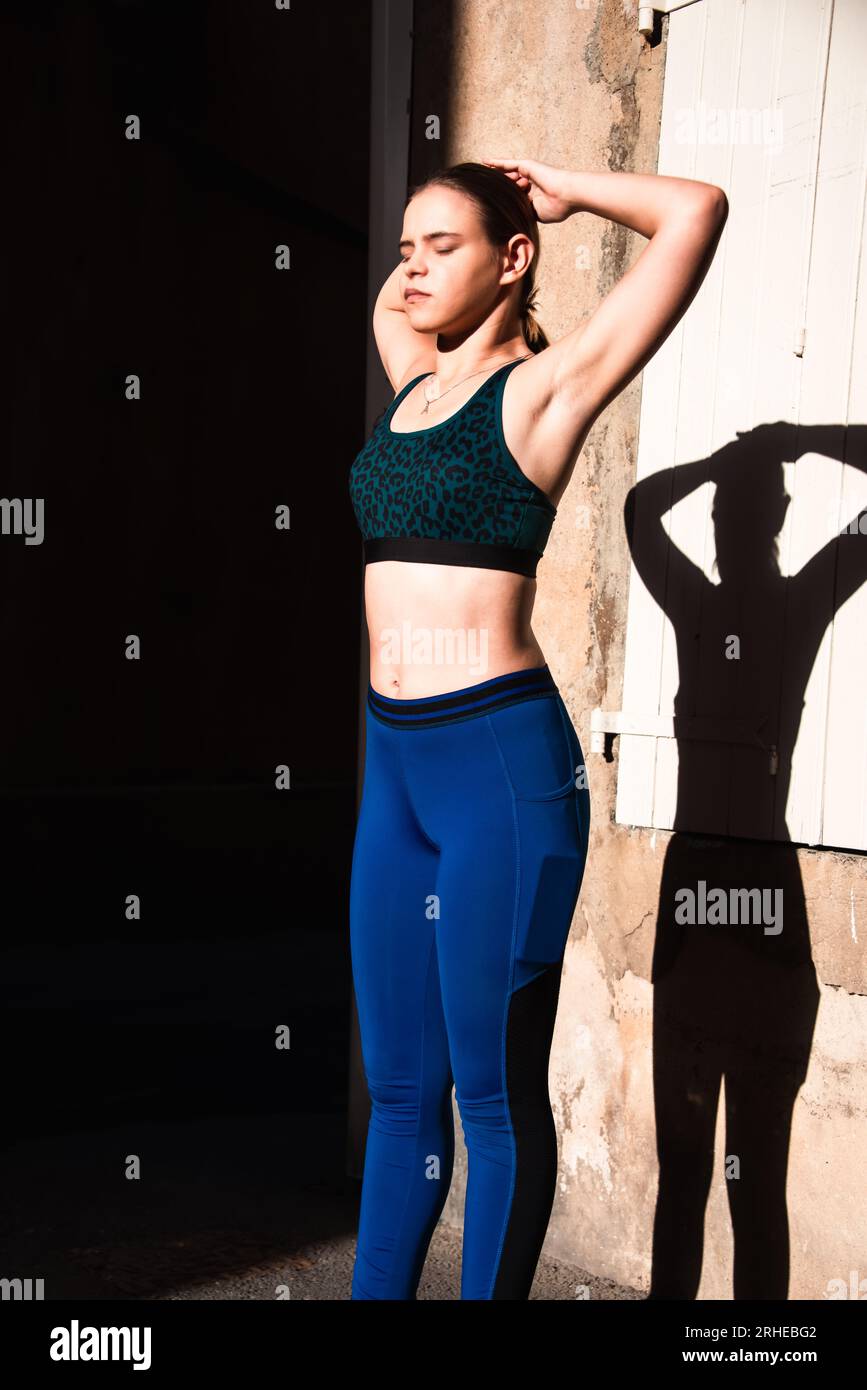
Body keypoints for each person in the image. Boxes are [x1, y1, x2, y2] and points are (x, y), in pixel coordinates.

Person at [347, 158, 728, 1299]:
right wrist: (442, 246)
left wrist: (554, 187)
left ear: (514, 259)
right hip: (395, 776)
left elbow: (693, 214)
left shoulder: (548, 392)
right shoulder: (411, 376)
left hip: (500, 780)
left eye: (442, 246)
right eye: (405, 244)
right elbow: (394, 297)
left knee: (492, 1097)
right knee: (402, 1094)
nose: (409, 267)